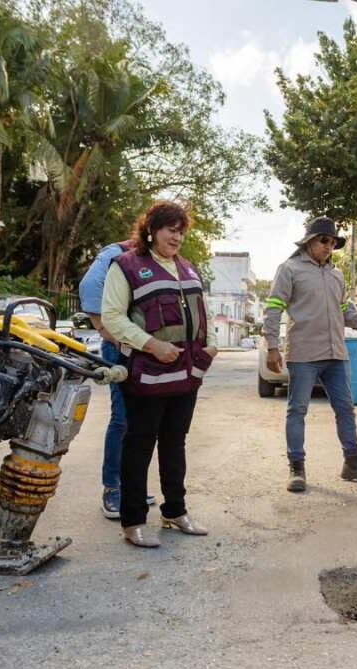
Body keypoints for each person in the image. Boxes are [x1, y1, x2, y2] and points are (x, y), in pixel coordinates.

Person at [101, 201, 216, 548]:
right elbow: (112, 317)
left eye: (181, 230)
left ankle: (175, 511)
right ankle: (132, 520)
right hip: (146, 372)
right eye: (170, 229)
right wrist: (151, 345)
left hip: (186, 374)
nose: (176, 236)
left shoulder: (188, 268)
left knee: (174, 443)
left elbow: (203, 312)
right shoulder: (126, 266)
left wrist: (209, 347)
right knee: (138, 444)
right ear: (151, 230)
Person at [265, 217, 357, 492]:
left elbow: (346, 312)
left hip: (336, 353)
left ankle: (352, 463)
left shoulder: (336, 275)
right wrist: (272, 345)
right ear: (309, 241)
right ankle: (297, 467)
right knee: (297, 410)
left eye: (332, 243)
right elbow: (273, 308)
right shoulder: (290, 269)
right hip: (304, 352)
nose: (329, 246)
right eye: (323, 241)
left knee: (346, 409)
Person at [77, 239, 155, 519]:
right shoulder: (118, 253)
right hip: (121, 347)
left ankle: (133, 487)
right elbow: (88, 287)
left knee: (144, 422)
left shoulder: (159, 259)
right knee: (122, 419)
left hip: (147, 348)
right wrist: (103, 327)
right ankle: (113, 488)